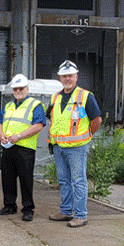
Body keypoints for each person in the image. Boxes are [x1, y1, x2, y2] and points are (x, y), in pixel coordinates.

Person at [47, 60, 102, 228]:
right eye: (64, 76)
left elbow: (97, 120)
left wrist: (87, 136)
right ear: (60, 78)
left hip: (78, 147)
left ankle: (80, 215)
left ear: (76, 77)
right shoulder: (55, 97)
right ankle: (65, 211)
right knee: (63, 180)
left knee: (78, 181)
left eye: (70, 75)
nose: (67, 79)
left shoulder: (86, 96)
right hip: (59, 146)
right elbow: (52, 118)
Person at [0, 74, 46, 221]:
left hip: (25, 148)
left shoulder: (35, 105)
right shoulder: (8, 106)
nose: (18, 90)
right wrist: (1, 135)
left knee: (26, 180)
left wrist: (19, 136)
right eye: (16, 88)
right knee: (8, 178)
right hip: (8, 147)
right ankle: (9, 205)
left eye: (21, 88)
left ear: (27, 88)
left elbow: (39, 125)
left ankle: (28, 209)